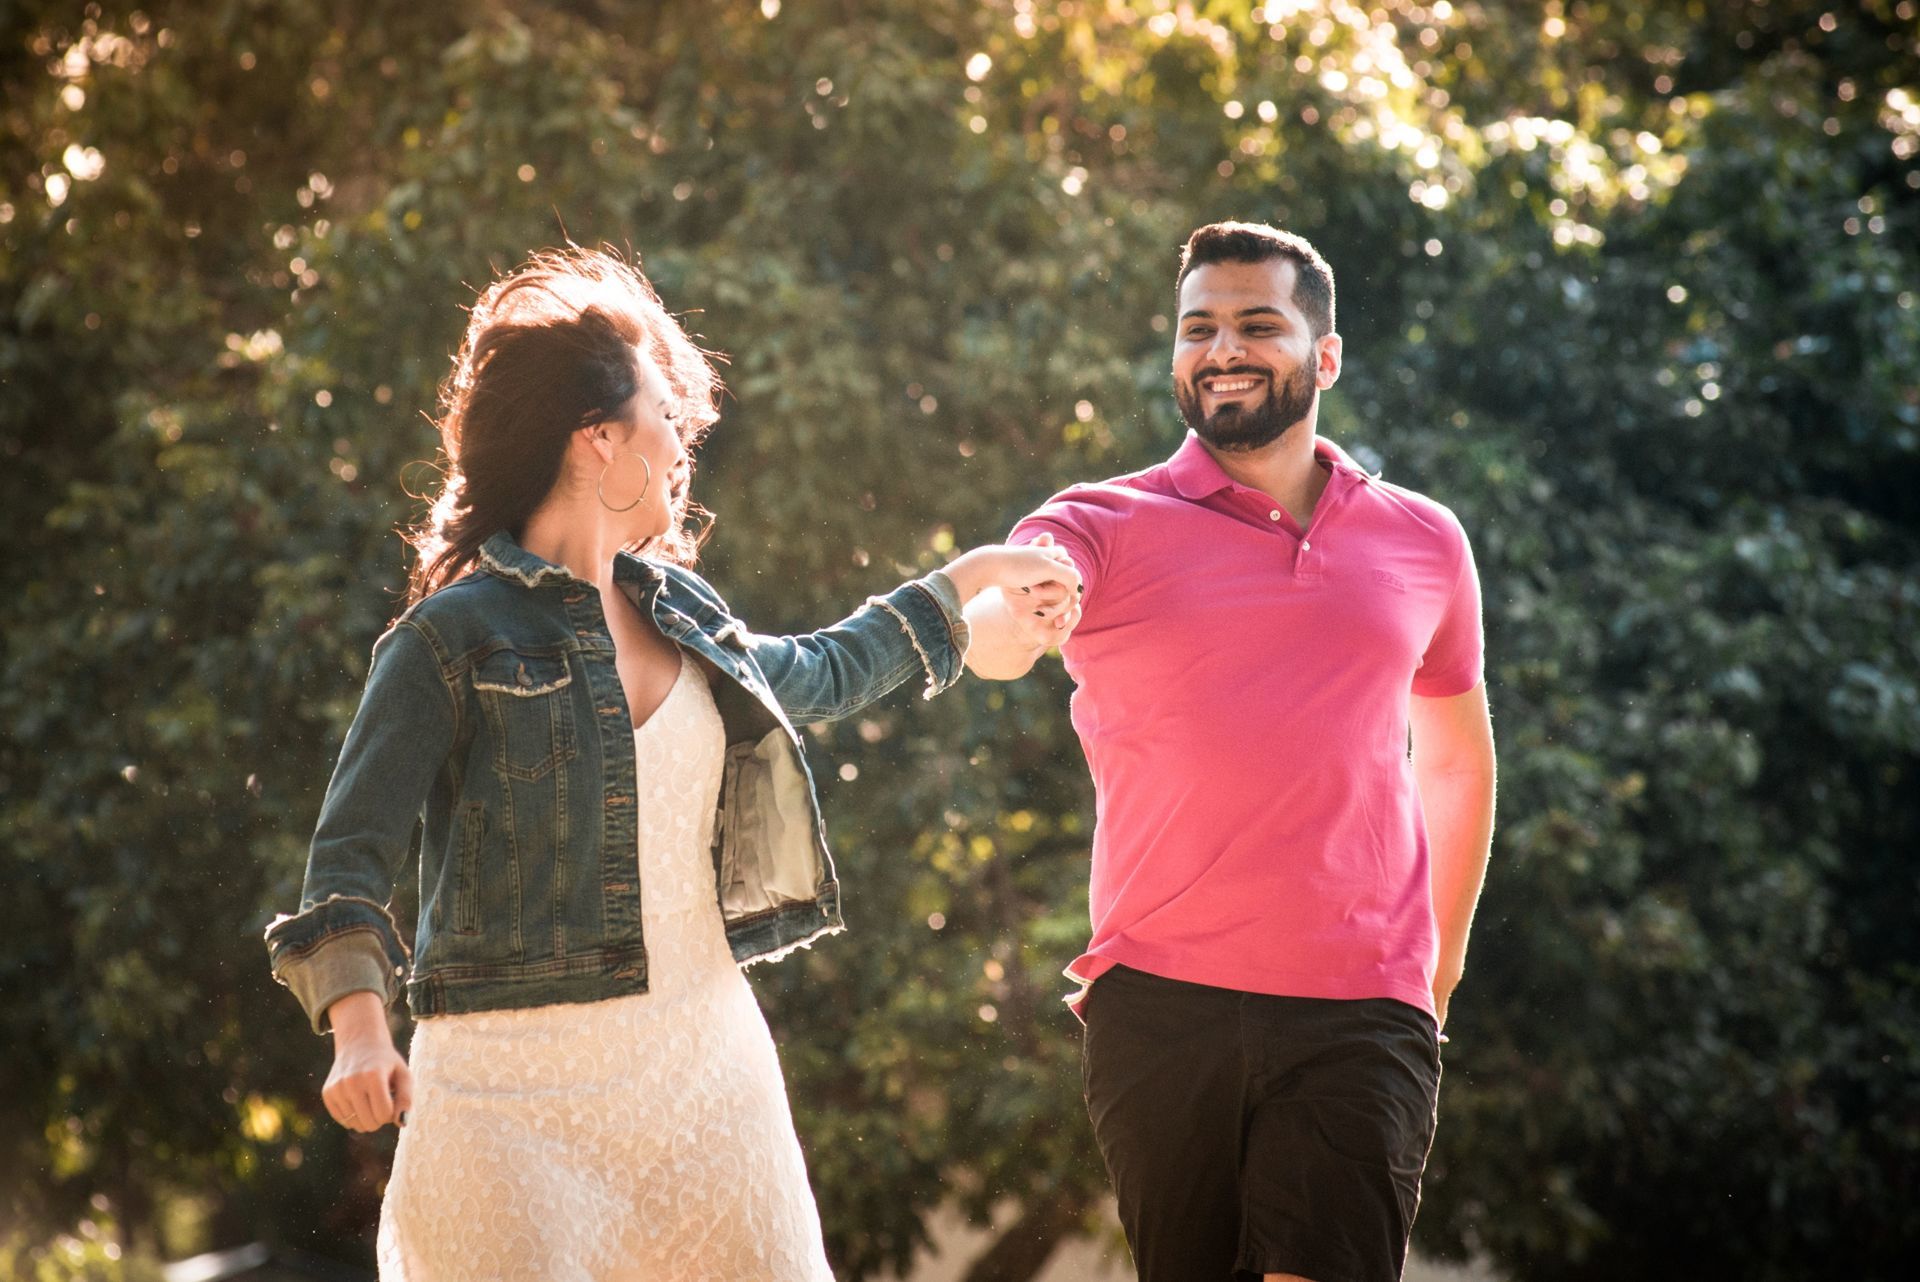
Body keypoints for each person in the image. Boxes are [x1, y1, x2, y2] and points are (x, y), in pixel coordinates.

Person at [261, 247, 1080, 1281]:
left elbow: (817, 672)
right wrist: (360, 1033)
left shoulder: (681, 608)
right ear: (598, 438)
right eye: (664, 412)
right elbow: (347, 862)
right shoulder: (448, 640)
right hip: (510, 1109)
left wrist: (967, 581)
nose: (685, 435)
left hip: (707, 1077)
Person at [965, 221, 1497, 1282]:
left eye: (1259, 324)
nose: (1223, 348)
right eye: (1197, 327)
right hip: (1159, 1005)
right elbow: (999, 624)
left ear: (1326, 355)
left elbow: (1454, 760)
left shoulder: (1423, 539)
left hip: (1363, 1005)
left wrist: (1435, 971)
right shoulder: (1097, 525)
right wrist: (1009, 614)